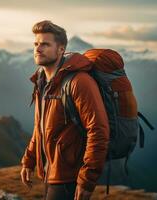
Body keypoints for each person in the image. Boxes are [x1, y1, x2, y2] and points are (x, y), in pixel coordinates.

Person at [20, 20, 110, 200]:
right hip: (50, 173)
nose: (38, 49)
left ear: (61, 49)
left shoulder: (79, 82)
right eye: (36, 44)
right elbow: (41, 127)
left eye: (45, 44)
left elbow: (98, 130)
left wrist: (87, 179)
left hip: (70, 178)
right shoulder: (42, 82)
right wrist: (28, 161)